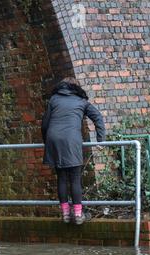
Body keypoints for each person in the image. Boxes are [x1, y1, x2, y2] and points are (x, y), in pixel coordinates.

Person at [41, 77, 106, 225]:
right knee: (75, 178)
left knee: (62, 177)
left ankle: (65, 214)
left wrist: (48, 143)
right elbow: (98, 117)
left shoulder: (54, 99)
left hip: (54, 139)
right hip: (71, 140)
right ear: (77, 88)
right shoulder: (80, 101)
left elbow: (44, 124)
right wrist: (101, 140)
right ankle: (77, 215)